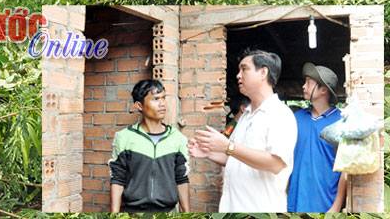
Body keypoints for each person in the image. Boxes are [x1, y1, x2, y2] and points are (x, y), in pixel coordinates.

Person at [189, 48, 297, 212]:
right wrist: (209, 153)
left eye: (244, 69)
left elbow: (276, 163)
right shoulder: (246, 115)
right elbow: (238, 159)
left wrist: (227, 146)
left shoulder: (280, 114)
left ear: (263, 72)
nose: (238, 75)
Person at [109, 79, 190, 213]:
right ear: (139, 105)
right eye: (155, 99)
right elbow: (117, 178)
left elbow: (182, 179)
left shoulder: (177, 138)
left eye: (163, 98)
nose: (162, 103)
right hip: (133, 212)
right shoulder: (124, 137)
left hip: (168, 212)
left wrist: (187, 214)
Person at [287, 63, 346, 212]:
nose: (303, 86)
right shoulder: (297, 118)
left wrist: (336, 207)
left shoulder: (341, 121)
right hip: (294, 204)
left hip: (325, 205)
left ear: (323, 90)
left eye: (309, 82)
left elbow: (345, 168)